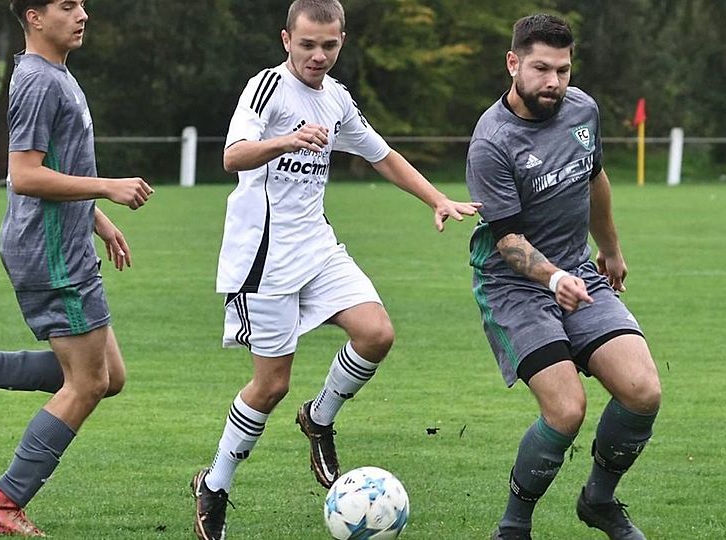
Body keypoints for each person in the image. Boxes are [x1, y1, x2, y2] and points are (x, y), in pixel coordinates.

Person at [190, 2, 480, 538]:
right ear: (286, 40)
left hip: (317, 248)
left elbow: (381, 154)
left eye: (329, 45)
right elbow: (232, 156)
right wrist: (286, 140)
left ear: (341, 41)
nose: (318, 55)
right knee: (270, 385)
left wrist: (435, 198)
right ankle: (215, 483)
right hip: (264, 260)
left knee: (376, 333)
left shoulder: (338, 97)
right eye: (307, 44)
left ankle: (319, 418)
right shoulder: (266, 89)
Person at [0, 0, 154, 536]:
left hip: (62, 242)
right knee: (88, 382)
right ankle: (2, 501)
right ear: (34, 17)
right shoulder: (38, 81)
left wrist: (97, 220)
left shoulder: (55, 75)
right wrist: (106, 188)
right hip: (49, 253)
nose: (83, 13)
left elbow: (58, 167)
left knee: (108, 376)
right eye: (68, 5)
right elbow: (25, 174)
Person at [464, 14, 662, 540]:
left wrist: (611, 250)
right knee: (567, 409)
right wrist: (552, 280)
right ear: (513, 64)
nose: (553, 82)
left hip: (578, 271)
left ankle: (598, 500)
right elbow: (507, 241)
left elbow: (594, 179)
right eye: (541, 69)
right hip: (514, 287)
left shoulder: (583, 110)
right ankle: (513, 526)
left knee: (642, 390)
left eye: (563, 70)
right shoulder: (492, 142)